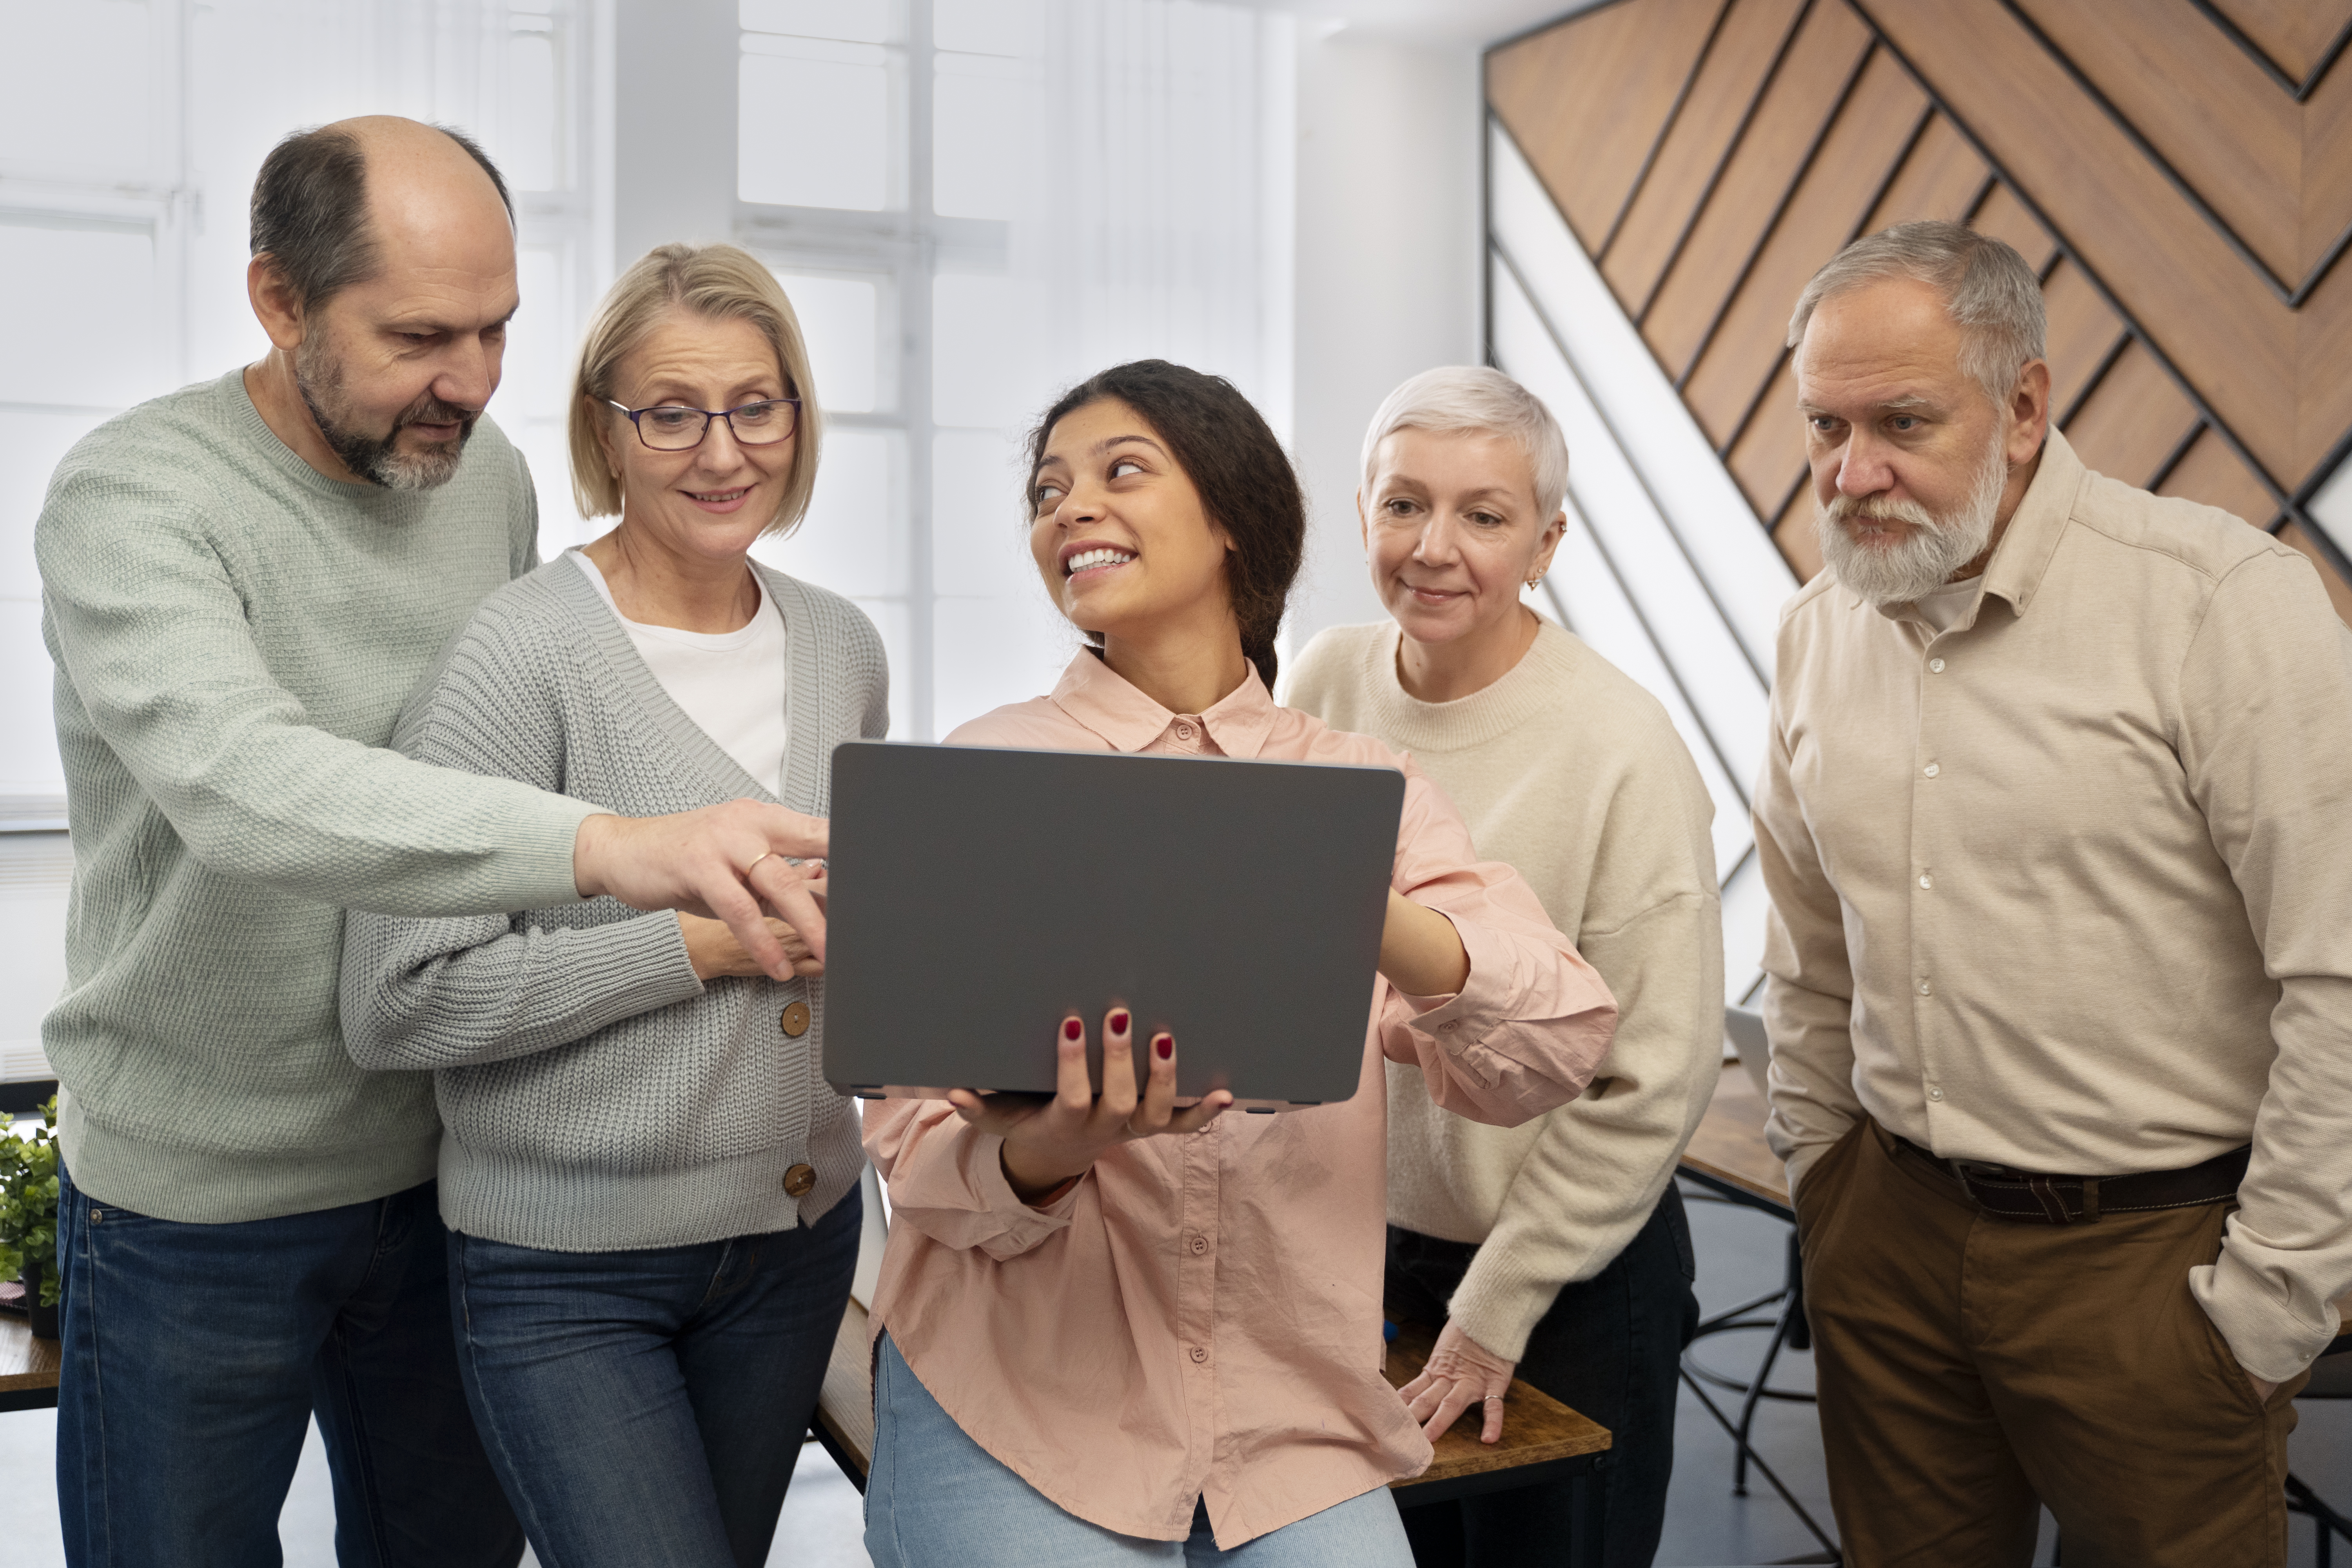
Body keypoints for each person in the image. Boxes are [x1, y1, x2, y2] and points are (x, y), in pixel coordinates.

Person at [35, 120, 830, 1565]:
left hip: (447, 1175)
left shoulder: (482, 472)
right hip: (202, 1194)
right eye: (416, 337)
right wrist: (613, 848)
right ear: (280, 302)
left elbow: (496, 757)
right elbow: (245, 783)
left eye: (497, 330)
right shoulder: (136, 500)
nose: (465, 382)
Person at [858, 360, 1621, 1567]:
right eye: (1050, 490)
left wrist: (1347, 902)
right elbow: (912, 1148)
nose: (1070, 507)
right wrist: (1059, 1147)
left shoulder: (1366, 790)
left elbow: (1556, 1045)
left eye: (1121, 472)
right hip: (1023, 1406)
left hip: (1292, 1430)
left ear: (1230, 518)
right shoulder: (984, 776)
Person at [1755, 219, 2352, 1566]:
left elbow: (2340, 977)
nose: (1854, 474)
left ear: (2025, 405)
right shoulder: (1815, 630)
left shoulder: (2221, 605)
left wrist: (2272, 1304)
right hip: (1890, 1236)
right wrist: (1827, 1186)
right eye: (1823, 429)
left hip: (2152, 1260)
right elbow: (1807, 950)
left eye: (1902, 421)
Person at [338, 242, 880, 1568]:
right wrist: (707, 943)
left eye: (758, 406)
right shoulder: (521, 654)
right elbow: (400, 1002)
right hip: (568, 1270)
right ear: (606, 431)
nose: (721, 453)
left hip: (799, 1243)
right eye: (671, 414)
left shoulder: (843, 646)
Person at [1285, 365, 1720, 1568]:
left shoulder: (1622, 748)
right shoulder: (1323, 679)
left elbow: (1654, 1081)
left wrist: (1497, 1311)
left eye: (1484, 515)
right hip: (1365, 1250)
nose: (1435, 548)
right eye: (1403, 505)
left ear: (1548, 541)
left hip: (1563, 1274)